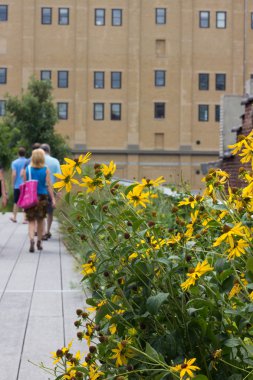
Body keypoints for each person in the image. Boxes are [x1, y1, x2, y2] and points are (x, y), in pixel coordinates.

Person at [24, 148, 56, 252]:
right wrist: (53, 199)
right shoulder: (46, 169)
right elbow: (48, 186)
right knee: (40, 220)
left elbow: (25, 185)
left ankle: (32, 240)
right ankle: (39, 242)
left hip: (31, 197)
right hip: (43, 197)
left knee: (31, 220)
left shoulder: (28, 169)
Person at [40, 143, 61, 240]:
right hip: (51, 189)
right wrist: (58, 191)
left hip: (40, 189)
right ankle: (48, 231)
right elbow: (59, 178)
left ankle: (43, 231)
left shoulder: (39, 160)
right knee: (50, 212)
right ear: (49, 150)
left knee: (41, 212)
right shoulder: (55, 161)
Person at [10, 147, 27, 223]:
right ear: (25, 153)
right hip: (25, 185)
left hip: (17, 185)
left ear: (18, 154)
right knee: (24, 201)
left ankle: (14, 217)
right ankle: (25, 219)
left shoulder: (14, 162)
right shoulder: (27, 162)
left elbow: (14, 174)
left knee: (16, 201)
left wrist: (13, 183)